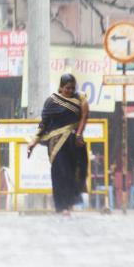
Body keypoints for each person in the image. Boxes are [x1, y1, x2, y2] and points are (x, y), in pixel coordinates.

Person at [27, 74, 89, 216]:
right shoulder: (51, 101)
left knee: (74, 173)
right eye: (67, 88)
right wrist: (34, 141)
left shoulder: (80, 99)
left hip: (74, 142)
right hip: (56, 144)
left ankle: (69, 203)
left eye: (73, 88)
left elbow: (84, 118)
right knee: (60, 173)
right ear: (61, 87)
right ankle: (61, 207)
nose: (70, 90)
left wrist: (79, 134)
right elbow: (44, 123)